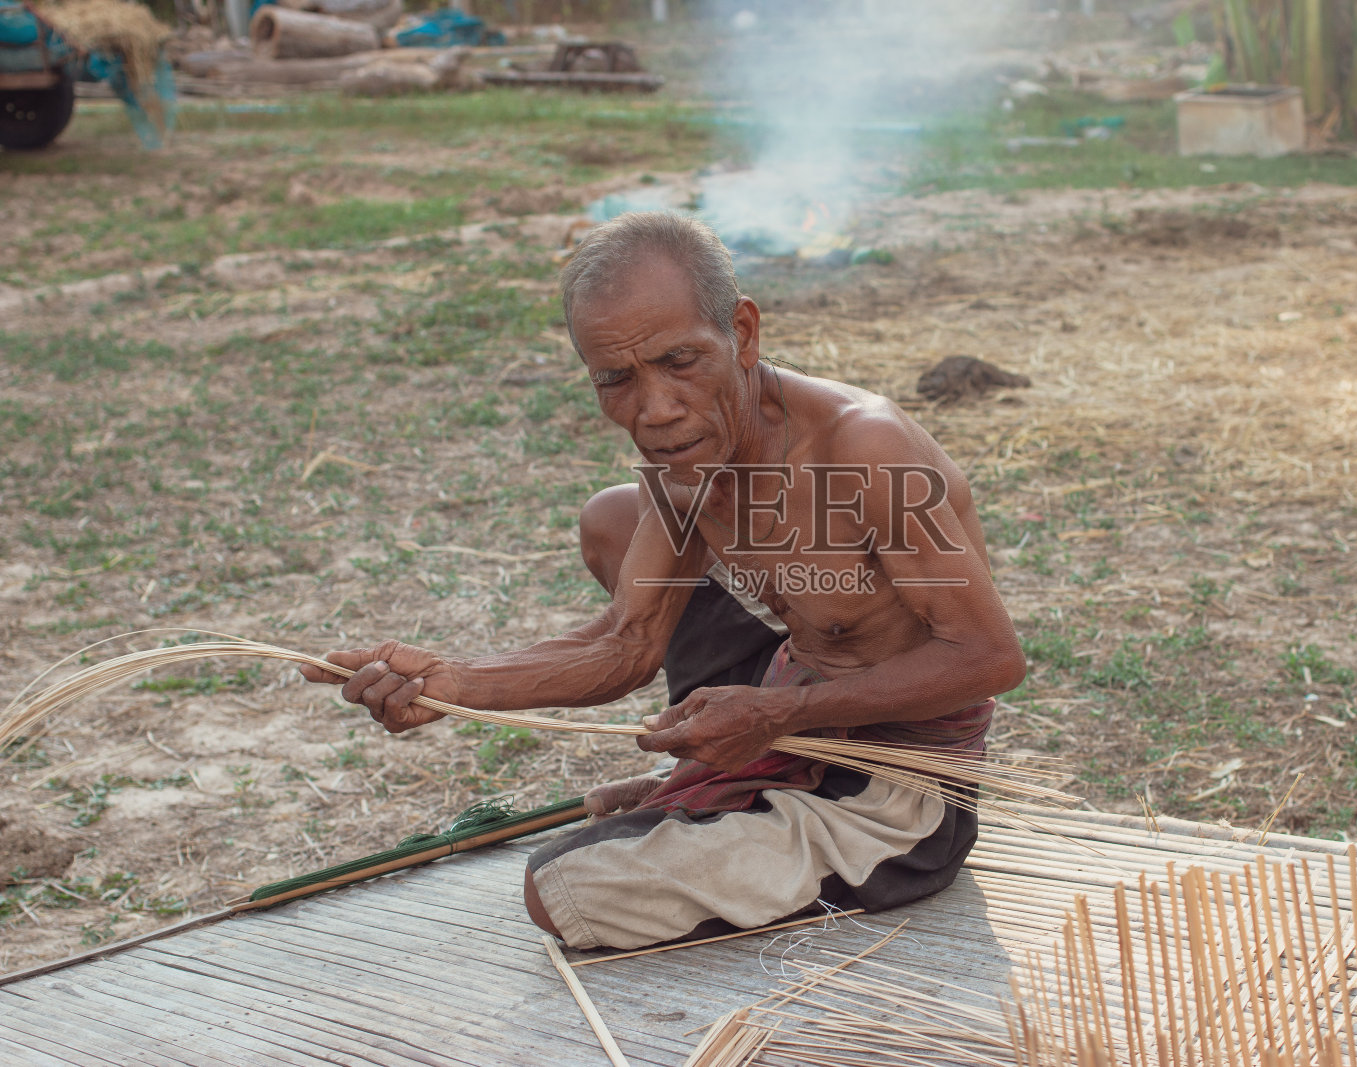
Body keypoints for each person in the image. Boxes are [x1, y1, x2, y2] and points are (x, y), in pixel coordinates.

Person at [299, 211, 1025, 951]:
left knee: (565, 891)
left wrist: (776, 717)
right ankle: (728, 794)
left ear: (742, 333)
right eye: (616, 379)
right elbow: (628, 640)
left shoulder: (864, 448)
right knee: (615, 515)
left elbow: (989, 658)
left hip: (894, 781)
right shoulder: (688, 459)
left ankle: (738, 800)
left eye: (681, 360)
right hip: (790, 697)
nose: (655, 410)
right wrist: (454, 683)